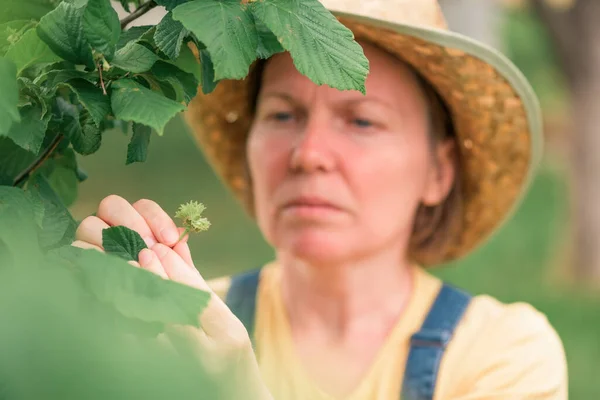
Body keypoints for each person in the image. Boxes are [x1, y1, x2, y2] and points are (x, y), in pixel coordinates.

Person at [73, 0, 568, 399]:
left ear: (438, 172)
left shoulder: (501, 354)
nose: (308, 155)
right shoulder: (177, 325)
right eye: (283, 116)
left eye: (362, 121)